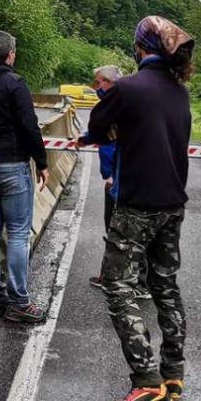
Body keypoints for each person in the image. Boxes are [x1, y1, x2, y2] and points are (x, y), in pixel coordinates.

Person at [79, 16, 194, 401]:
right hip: (172, 204)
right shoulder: (180, 91)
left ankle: (146, 381)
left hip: (136, 205)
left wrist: (114, 132)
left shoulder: (127, 88)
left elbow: (95, 125)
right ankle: (173, 376)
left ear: (139, 48)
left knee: (118, 285)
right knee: (165, 285)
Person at [0, 30, 51, 324]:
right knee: (17, 233)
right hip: (13, 167)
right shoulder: (15, 84)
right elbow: (30, 127)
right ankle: (18, 301)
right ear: (11, 55)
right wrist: (42, 162)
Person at [86, 65, 122, 289]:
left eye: (98, 83)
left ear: (110, 83)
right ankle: (140, 281)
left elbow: (109, 145)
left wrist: (109, 177)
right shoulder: (133, 101)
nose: (95, 88)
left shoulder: (113, 107)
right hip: (144, 179)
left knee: (114, 229)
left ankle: (109, 276)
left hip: (121, 179)